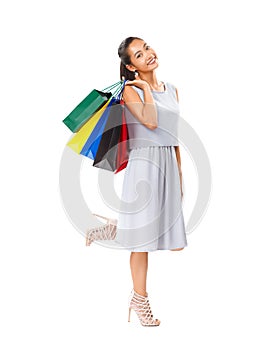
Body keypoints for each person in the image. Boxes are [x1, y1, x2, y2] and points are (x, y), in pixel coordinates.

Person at [113, 37, 188, 326]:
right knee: (142, 242)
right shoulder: (131, 90)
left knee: (174, 241)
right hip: (144, 164)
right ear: (131, 66)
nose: (148, 55)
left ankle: (115, 227)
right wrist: (145, 87)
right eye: (139, 55)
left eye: (147, 48)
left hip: (167, 160)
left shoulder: (174, 90)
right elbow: (152, 122)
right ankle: (139, 300)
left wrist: (179, 173)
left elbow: (173, 132)